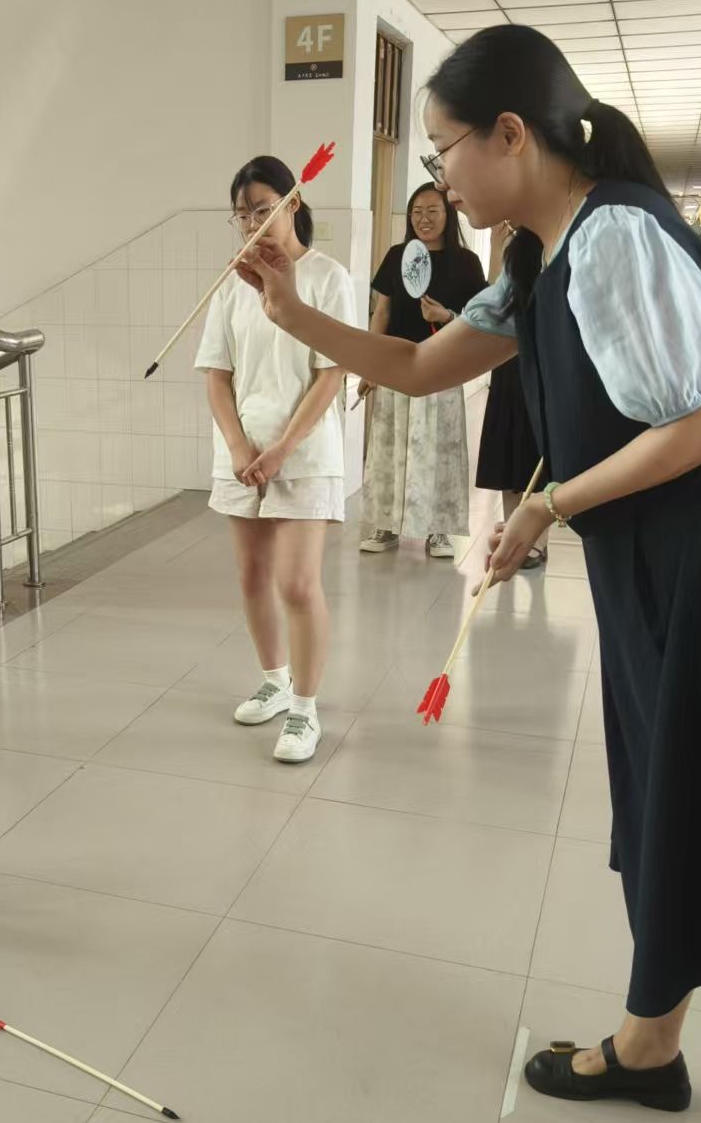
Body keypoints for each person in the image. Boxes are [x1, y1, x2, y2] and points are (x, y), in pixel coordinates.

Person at [233, 24, 701, 1123]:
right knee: (666, 803)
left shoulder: (618, 236)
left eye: (442, 150)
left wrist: (546, 505)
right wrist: (290, 313)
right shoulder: (540, 257)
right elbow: (420, 367)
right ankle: (650, 1044)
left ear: (509, 134)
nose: (438, 177)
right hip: (661, 577)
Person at [196, 157, 352, 764]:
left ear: (293, 204)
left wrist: (284, 447)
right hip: (242, 455)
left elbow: (330, 373)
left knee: (297, 582)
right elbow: (216, 375)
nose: (251, 223)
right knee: (253, 578)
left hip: (304, 453)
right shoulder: (231, 283)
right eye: (241, 214)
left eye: (262, 209)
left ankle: (305, 709)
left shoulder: (327, 278)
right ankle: (275, 680)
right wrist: (240, 447)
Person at [359, 182, 482, 559]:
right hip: (396, 364)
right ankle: (385, 525)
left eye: (432, 211)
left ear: (449, 215)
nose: (423, 219)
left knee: (439, 449)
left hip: (442, 368)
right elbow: (382, 312)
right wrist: (369, 365)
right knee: (390, 446)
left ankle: (439, 529)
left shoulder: (466, 263)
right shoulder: (397, 256)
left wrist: (445, 316)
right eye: (416, 212)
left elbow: (478, 321)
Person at [473, 217, 550, 569]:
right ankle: (510, 534)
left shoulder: (558, 245)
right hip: (507, 363)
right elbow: (492, 301)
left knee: (536, 450)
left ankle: (538, 542)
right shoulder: (512, 246)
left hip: (544, 364)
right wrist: (496, 249)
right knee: (508, 450)